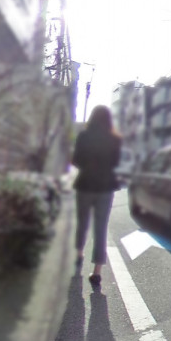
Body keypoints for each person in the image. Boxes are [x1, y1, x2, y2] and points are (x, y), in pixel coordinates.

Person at [72, 105, 123, 290]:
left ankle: (79, 254)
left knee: (82, 223)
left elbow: (76, 160)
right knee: (101, 228)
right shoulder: (115, 139)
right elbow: (116, 163)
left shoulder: (83, 136)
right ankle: (97, 272)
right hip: (105, 188)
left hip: (85, 185)